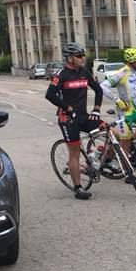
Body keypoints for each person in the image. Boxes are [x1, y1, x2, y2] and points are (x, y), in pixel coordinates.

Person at [45, 42, 104, 200]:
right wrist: (68, 108)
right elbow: (50, 95)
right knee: (74, 152)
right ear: (70, 58)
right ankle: (78, 189)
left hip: (83, 116)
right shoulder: (62, 74)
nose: (83, 58)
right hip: (68, 119)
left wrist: (96, 109)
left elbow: (98, 90)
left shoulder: (84, 72)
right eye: (79, 56)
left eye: (83, 55)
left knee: (110, 131)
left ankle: (95, 158)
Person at [99, 48, 136, 185]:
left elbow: (135, 95)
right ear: (132, 62)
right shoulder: (121, 73)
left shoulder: (135, 73)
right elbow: (102, 86)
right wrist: (116, 100)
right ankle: (128, 174)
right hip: (124, 113)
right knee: (125, 144)